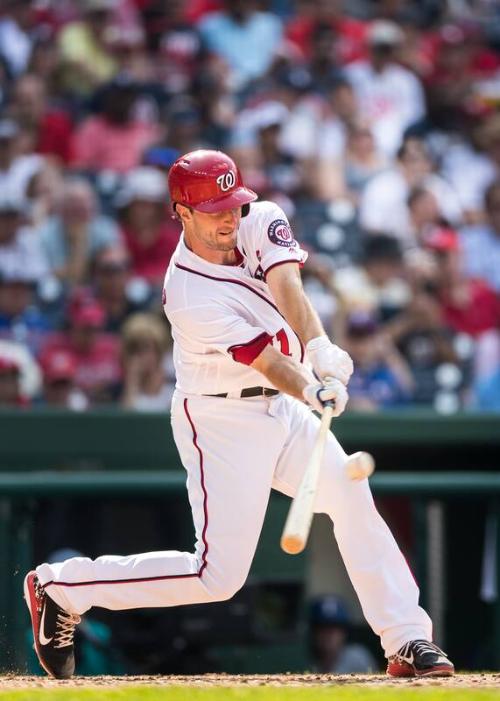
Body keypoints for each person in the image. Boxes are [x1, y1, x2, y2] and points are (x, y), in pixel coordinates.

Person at [24, 149, 454, 680]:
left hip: (282, 406)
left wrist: (319, 348)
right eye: (214, 209)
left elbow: (287, 286)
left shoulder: (258, 218)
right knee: (217, 577)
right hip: (221, 422)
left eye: (233, 203)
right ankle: (61, 587)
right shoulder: (186, 292)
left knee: (349, 492)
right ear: (181, 212)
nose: (229, 218)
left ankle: (407, 637)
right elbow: (269, 362)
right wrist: (312, 389)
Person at [308, 594, 378, 674]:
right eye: (323, 628)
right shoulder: (308, 662)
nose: (328, 635)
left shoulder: (358, 658)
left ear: (344, 632)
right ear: (314, 633)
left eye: (334, 628)